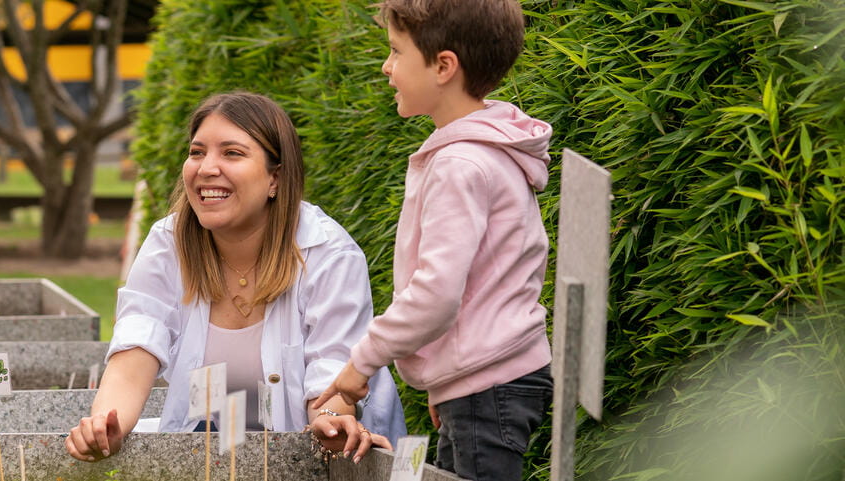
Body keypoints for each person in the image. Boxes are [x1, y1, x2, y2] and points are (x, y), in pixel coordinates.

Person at [65, 92, 408, 465]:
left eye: (232, 153)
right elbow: (137, 342)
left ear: (275, 177)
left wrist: (329, 421)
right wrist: (107, 424)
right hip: (210, 445)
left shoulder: (328, 252)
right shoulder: (169, 242)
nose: (206, 168)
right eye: (197, 152)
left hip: (322, 454)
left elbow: (333, 366)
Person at [313, 1, 555, 480]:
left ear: (444, 66)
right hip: (482, 380)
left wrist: (360, 365)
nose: (387, 66)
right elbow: (483, 283)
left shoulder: (460, 165)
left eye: (397, 52)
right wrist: (446, 378)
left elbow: (436, 294)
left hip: (489, 383)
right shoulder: (480, 152)